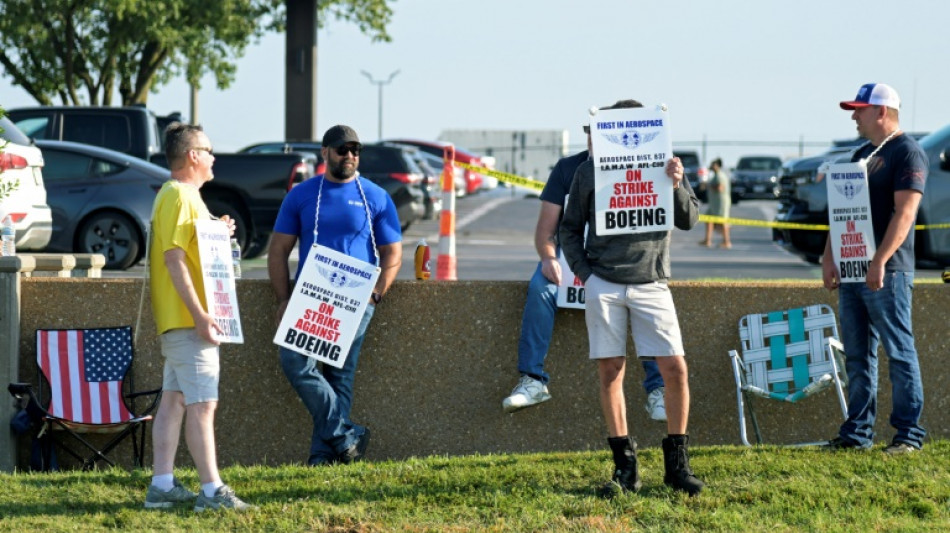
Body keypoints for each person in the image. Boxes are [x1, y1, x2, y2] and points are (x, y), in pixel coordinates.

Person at [560, 99, 705, 497]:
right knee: (611, 372)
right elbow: (568, 229)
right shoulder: (588, 172)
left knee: (675, 368)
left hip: (652, 281)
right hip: (603, 281)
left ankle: (677, 465)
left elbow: (690, 219)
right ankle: (625, 467)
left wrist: (676, 183)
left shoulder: (668, 165)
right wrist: (586, 275)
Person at [503, 137, 667, 422]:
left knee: (646, 297)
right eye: (590, 131)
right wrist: (548, 258)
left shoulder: (645, 164)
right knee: (540, 289)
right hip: (571, 257)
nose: (594, 138)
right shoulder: (568, 168)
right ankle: (533, 380)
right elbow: (546, 232)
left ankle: (658, 390)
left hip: (623, 261)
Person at [268, 125, 402, 466]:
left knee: (339, 374)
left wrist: (375, 294)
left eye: (356, 149)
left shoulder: (375, 196)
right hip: (309, 296)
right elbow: (278, 251)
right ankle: (344, 436)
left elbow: (393, 252)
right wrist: (284, 299)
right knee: (295, 362)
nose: (350, 155)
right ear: (325, 152)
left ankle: (322, 455)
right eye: (343, 149)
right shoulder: (301, 195)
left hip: (356, 299)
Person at [144, 123, 253, 512]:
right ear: (192, 156)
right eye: (207, 150)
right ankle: (211, 491)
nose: (213, 157)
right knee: (203, 404)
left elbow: (189, 247)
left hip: (183, 321)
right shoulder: (179, 195)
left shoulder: (181, 196)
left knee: (174, 401)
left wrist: (216, 229)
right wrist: (202, 314)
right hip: (190, 321)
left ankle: (162, 486)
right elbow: (174, 258)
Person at [822, 83, 927, 454]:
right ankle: (857, 434)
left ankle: (908, 436)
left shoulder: (908, 153)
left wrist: (880, 261)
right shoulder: (861, 154)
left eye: (860, 110)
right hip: (851, 270)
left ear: (882, 112)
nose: (854, 117)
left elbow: (906, 214)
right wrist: (829, 255)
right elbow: (841, 210)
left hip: (889, 271)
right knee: (857, 354)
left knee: (899, 351)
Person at [699, 158, 731, 249]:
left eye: (713, 164)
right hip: (714, 204)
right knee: (708, 219)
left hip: (721, 204)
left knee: (723, 222)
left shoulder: (720, 176)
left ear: (717, 166)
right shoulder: (715, 175)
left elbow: (720, 188)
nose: (711, 166)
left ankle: (727, 242)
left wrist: (708, 185)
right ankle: (707, 240)